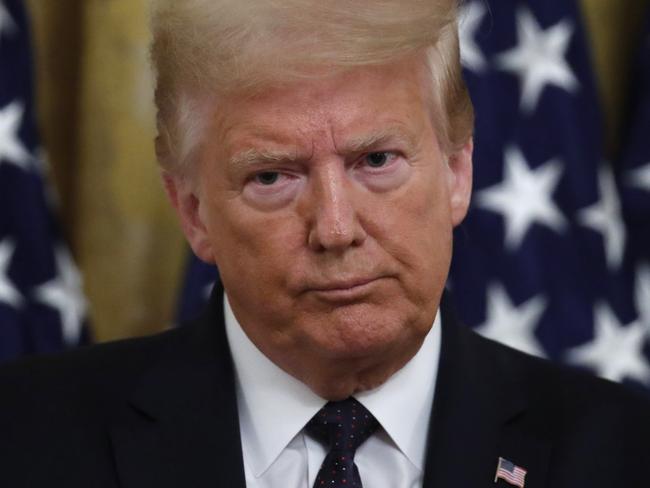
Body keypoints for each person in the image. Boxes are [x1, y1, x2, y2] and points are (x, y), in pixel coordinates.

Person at [1, 1, 649, 487]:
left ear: (457, 172)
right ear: (192, 211)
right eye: (272, 176)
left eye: (376, 160)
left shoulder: (624, 451)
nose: (336, 229)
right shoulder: (24, 439)